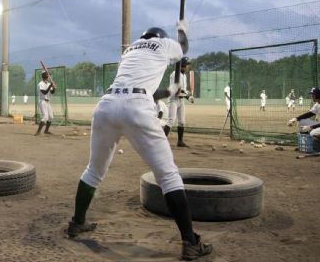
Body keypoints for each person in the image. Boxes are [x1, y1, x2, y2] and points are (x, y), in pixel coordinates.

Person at [66, 26, 212, 261]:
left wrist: (169, 90)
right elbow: (183, 49)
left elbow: (145, 90)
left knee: (93, 171)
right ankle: (191, 242)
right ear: (161, 37)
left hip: (107, 104)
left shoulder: (130, 49)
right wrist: (182, 30)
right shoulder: (164, 44)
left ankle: (77, 223)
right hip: (136, 107)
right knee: (168, 176)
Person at [165, 57, 194, 147]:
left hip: (180, 101)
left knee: (182, 121)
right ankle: (160, 141)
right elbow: (177, 91)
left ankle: (180, 141)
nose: (187, 67)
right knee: (171, 120)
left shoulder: (184, 76)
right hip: (173, 100)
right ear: (182, 66)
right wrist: (187, 96)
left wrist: (188, 95)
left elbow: (183, 90)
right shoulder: (175, 74)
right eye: (186, 65)